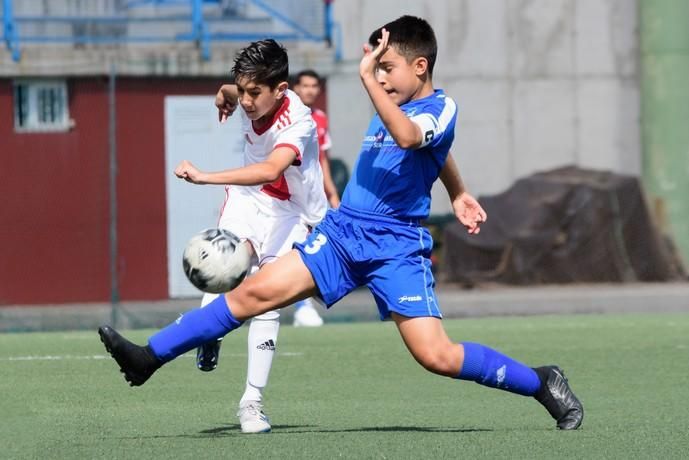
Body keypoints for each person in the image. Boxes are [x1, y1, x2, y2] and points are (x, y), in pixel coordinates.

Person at [99, 16, 584, 431]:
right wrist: (457, 190)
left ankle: (541, 381)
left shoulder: (438, 106)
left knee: (436, 356)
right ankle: (148, 357)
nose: (382, 76)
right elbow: (434, 149)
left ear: (421, 66)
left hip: (396, 247)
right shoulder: (392, 97)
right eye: (379, 69)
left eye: (388, 68)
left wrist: (368, 79)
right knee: (251, 296)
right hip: (344, 232)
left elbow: (415, 138)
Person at [173, 39, 327, 433]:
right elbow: (229, 91)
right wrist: (223, 95)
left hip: (292, 215)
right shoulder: (248, 94)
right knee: (220, 266)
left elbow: (271, 170)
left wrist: (205, 176)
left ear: (280, 89)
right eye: (241, 90)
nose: (244, 100)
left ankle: (251, 403)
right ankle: (211, 331)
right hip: (249, 201)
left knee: (268, 302)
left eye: (253, 92)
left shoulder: (300, 122)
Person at [290, 69, 339, 327]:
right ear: (295, 88)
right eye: (305, 85)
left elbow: (322, 159)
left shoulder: (320, 119)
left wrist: (331, 193)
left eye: (313, 86)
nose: (309, 90)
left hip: (314, 193)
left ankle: (305, 302)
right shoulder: (286, 114)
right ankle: (301, 305)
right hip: (287, 191)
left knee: (314, 243)